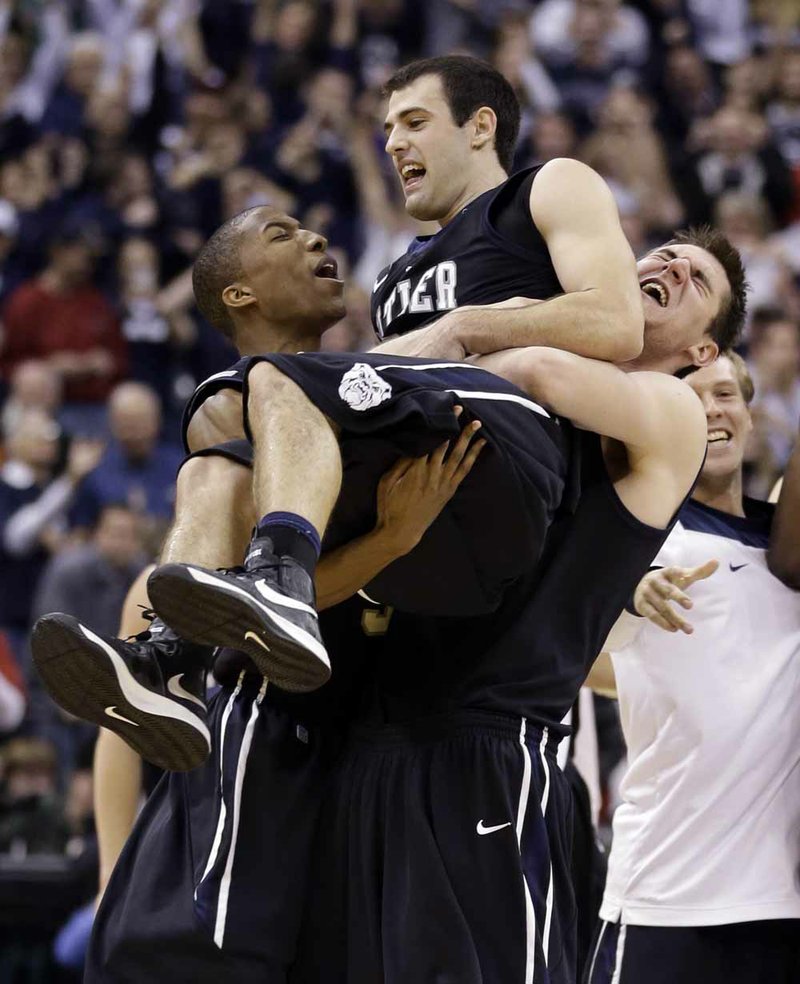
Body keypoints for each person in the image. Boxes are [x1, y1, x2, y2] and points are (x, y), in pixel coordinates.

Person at [34, 209, 485, 984]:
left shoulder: (366, 394)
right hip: (262, 750)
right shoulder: (232, 410)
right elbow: (125, 732)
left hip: (376, 741)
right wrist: (388, 542)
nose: (317, 240)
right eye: (282, 234)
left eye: (311, 229)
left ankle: (165, 661)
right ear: (239, 295)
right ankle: (167, 660)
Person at [291, 226, 746, 984]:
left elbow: (535, 365)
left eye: (695, 279)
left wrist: (413, 359)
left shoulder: (671, 409)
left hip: (498, 744)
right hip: (377, 731)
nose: (668, 264)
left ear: (703, 352)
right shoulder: (522, 415)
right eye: (664, 252)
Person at [143, 53, 647, 691]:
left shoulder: (546, 187)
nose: (393, 143)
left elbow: (617, 323)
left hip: (519, 462)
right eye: (386, 130)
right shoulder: (393, 280)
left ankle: (278, 575)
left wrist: (468, 326)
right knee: (222, 434)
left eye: (413, 122)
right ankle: (172, 664)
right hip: (434, 502)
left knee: (274, 380)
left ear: (480, 127)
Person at [584, 353, 800, 984]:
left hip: (778, 901)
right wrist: (632, 589)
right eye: (691, 398)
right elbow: (580, 626)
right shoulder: (635, 538)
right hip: (664, 897)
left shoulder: (786, 551)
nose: (712, 409)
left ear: (752, 418)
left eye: (727, 393)